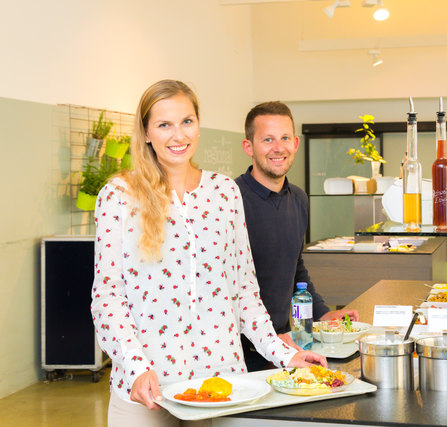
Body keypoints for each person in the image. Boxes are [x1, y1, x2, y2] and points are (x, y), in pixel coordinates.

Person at [90, 81, 326, 426]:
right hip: (147, 390)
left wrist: (285, 355)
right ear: (146, 132)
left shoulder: (224, 192)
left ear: (198, 124)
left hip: (218, 386)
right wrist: (137, 367)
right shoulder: (119, 197)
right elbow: (107, 298)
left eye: (187, 122)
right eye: (164, 124)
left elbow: (244, 290)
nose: (178, 136)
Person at [235, 101, 359, 371]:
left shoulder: (299, 199)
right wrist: (264, 340)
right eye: (267, 139)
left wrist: (324, 313)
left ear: (296, 143)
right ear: (249, 147)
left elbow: (296, 271)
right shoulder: (229, 200)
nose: (278, 148)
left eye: (284, 138)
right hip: (240, 352)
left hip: (286, 345)